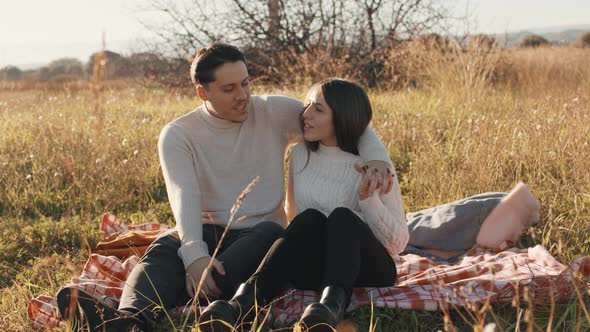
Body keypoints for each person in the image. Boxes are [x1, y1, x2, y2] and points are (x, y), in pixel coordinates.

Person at [56, 43, 395, 332]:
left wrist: (376, 156)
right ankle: (128, 320)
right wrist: (193, 255)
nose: (243, 95)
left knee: (253, 244)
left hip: (262, 234)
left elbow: (342, 117)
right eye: (229, 89)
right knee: (162, 251)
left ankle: (207, 300)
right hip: (203, 228)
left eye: (246, 83)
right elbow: (183, 195)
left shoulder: (273, 111)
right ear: (203, 92)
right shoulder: (179, 134)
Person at [198, 78, 410, 332]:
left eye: (318, 109)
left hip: (368, 270)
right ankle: (242, 303)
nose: (305, 114)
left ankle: (330, 308)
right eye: (307, 105)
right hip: (313, 270)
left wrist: (369, 201)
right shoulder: (300, 155)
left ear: (343, 117)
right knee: (309, 217)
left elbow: (397, 245)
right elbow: (294, 217)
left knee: (342, 217)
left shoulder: (374, 165)